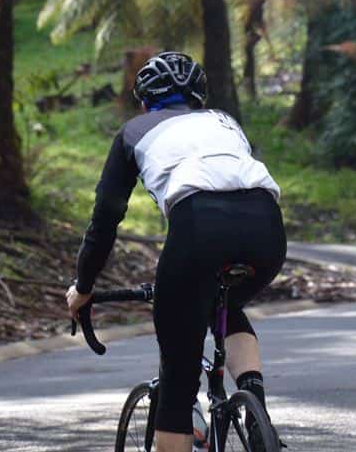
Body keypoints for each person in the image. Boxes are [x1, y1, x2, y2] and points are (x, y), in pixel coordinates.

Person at [66, 51, 287, 452]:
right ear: (199, 98)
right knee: (224, 303)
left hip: (198, 227)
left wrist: (83, 286)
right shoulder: (225, 121)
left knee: (179, 378)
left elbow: (105, 221)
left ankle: (188, 421)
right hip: (267, 228)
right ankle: (258, 414)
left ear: (144, 100)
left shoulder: (134, 131)